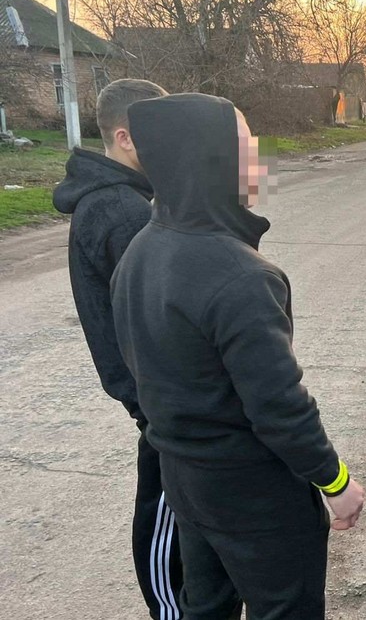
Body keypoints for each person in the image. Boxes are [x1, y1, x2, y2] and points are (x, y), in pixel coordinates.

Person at [110, 93, 364, 619]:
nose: (260, 159)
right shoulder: (242, 277)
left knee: (207, 607)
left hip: (184, 478)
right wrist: (336, 483)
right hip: (255, 493)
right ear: (213, 161)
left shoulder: (141, 250)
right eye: (248, 145)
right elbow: (278, 407)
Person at [51, 79, 184, 619]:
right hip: (162, 401)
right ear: (126, 137)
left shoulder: (124, 202)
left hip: (154, 395)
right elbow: (163, 320)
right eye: (163, 136)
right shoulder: (120, 213)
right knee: (166, 523)